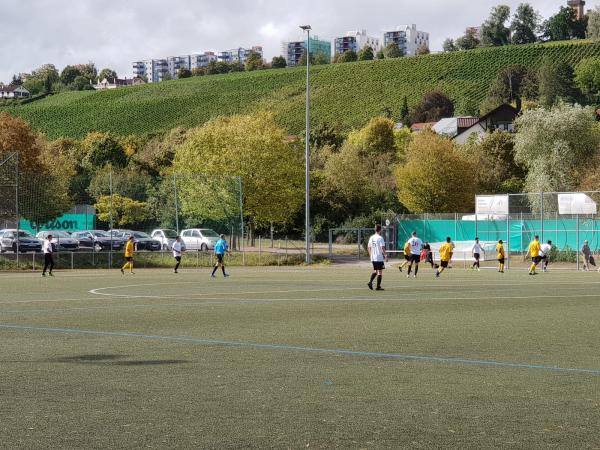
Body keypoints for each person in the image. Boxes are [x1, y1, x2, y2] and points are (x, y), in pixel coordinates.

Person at [367, 224, 387, 291]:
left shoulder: (371, 237)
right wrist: (385, 255)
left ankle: (370, 282)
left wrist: (370, 255)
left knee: (376, 271)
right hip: (378, 257)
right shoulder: (380, 238)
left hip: (373, 257)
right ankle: (378, 286)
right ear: (380, 230)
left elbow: (369, 247)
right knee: (380, 272)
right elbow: (382, 248)